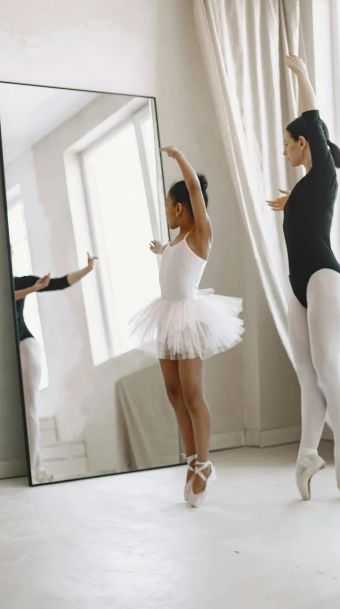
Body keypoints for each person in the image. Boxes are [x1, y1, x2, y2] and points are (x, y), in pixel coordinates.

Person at [130, 147, 244, 508]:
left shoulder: (201, 234)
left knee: (193, 393)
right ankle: (192, 459)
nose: (166, 212)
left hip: (189, 318)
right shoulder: (177, 241)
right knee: (173, 391)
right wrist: (162, 249)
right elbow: (174, 260)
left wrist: (179, 157)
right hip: (166, 317)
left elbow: (194, 189)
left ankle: (205, 464)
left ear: (180, 208)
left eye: (167, 205)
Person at [267, 54, 340, 501]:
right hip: (299, 285)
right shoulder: (305, 188)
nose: (284, 150)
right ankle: (307, 455)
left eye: (287, 143)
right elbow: (306, 216)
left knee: (327, 367)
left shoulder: (322, 174)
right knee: (305, 372)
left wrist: (302, 75)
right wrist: (293, 203)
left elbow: (312, 118)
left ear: (303, 144)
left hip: (324, 277)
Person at [14, 253, 97, 484]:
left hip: (25, 344)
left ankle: (35, 470)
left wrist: (87, 269)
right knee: (22, 412)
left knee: (30, 410)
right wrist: (32, 290)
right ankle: (36, 469)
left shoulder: (21, 281)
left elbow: (59, 282)